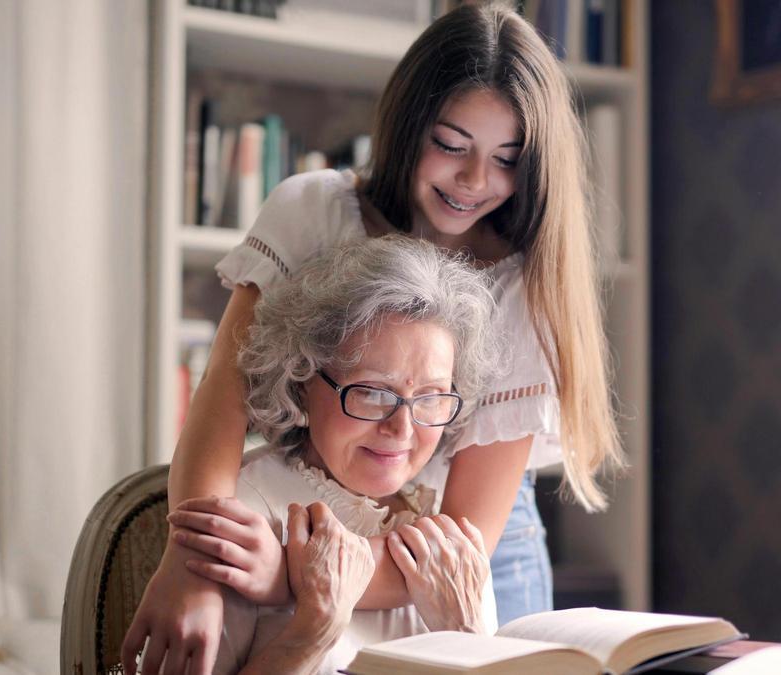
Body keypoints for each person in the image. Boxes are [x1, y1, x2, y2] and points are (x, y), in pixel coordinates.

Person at [124, 3, 624, 673]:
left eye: (506, 159)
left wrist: (285, 576)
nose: (475, 182)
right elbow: (223, 395)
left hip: (461, 551)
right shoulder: (314, 211)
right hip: (312, 518)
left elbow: (467, 532)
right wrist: (193, 562)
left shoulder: (522, 286)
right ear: (408, 124)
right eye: (451, 145)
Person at [132, 237, 498, 674]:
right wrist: (312, 631)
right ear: (301, 379)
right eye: (371, 393)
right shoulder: (243, 519)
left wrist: (467, 636)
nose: (402, 428)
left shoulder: (448, 543)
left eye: (432, 397)